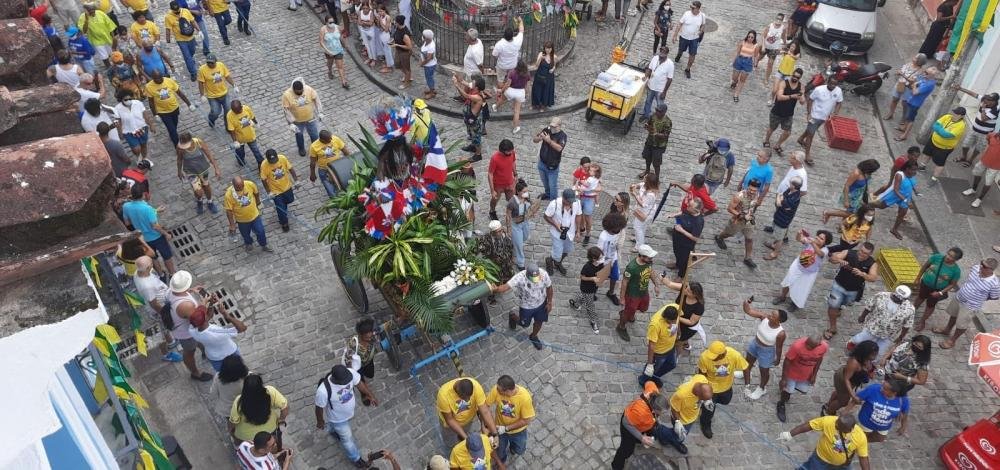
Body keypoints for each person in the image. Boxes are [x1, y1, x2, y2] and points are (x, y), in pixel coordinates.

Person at [612, 379, 705, 468]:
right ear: (654, 410)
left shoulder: (653, 390)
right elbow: (626, 423)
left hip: (642, 423)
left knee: (648, 433)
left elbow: (649, 382)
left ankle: (638, 440)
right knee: (626, 450)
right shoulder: (640, 412)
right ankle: (616, 465)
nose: (662, 414)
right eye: (661, 412)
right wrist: (641, 437)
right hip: (630, 425)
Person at [314, 361, 373, 468]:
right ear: (335, 380)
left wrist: (370, 395)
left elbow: (359, 383)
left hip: (347, 413)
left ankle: (332, 430)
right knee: (347, 439)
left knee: (334, 429)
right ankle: (356, 458)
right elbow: (319, 408)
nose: (347, 382)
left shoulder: (349, 373)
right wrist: (320, 421)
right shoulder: (323, 391)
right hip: (338, 419)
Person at [934, 258, 1000, 349]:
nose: (981, 266)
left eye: (984, 266)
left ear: (991, 270)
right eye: (981, 263)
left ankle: (952, 340)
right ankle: (947, 330)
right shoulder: (976, 268)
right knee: (953, 315)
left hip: (970, 306)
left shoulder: (994, 284)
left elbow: (994, 296)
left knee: (962, 324)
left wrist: (979, 298)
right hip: (959, 297)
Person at [491, 263, 554, 350]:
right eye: (533, 279)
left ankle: (533, 336)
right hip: (526, 306)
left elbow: (549, 287)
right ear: (527, 275)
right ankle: (513, 316)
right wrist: (497, 289)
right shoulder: (519, 277)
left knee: (539, 322)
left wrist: (549, 302)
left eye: (537, 278)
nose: (535, 281)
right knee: (524, 324)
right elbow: (506, 287)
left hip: (541, 303)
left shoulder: (544, 274)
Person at [132, 256, 182, 362]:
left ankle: (171, 342)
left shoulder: (138, 272)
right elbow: (154, 304)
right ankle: (166, 354)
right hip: (158, 310)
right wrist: (166, 314)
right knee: (161, 333)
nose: (152, 264)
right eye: (151, 263)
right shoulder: (147, 286)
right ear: (148, 267)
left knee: (165, 329)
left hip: (161, 302)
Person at [777, 414, 871, 470]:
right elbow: (809, 425)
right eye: (836, 423)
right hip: (820, 459)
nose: (835, 425)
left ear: (850, 429)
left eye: (838, 427)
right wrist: (789, 434)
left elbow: (863, 458)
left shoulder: (860, 437)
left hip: (842, 465)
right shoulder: (829, 421)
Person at [167, 271, 214, 381]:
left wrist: (191, 290)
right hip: (187, 334)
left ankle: (205, 352)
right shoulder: (185, 305)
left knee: (200, 342)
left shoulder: (170, 291)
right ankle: (195, 373)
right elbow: (201, 320)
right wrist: (205, 304)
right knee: (189, 352)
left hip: (189, 330)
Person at [825, 242, 879, 339]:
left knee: (846, 303)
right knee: (833, 306)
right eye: (861, 251)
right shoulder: (848, 252)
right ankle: (832, 328)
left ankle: (839, 308)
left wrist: (863, 274)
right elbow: (832, 259)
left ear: (870, 254)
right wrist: (840, 260)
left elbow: (873, 278)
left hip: (854, 290)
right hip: (839, 285)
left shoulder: (872, 263)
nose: (861, 254)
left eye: (865, 253)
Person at [697, 340, 750, 438]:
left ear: (723, 354)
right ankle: (705, 424)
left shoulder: (734, 355)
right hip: (711, 389)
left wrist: (747, 386)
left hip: (726, 386)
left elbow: (745, 368)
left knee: (726, 401)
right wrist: (705, 394)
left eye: (715, 356)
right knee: (708, 410)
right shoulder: (704, 357)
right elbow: (701, 375)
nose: (712, 358)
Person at [122, 185, 176, 275]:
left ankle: (161, 274)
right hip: (156, 237)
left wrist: (138, 219)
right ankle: (172, 274)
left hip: (143, 238)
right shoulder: (148, 209)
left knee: (152, 257)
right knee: (167, 256)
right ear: (143, 195)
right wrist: (166, 234)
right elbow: (155, 226)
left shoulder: (126, 206)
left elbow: (127, 223)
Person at [741, 298, 788, 401]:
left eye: (773, 316)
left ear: (778, 321)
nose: (769, 316)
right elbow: (748, 310)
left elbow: (779, 348)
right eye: (771, 313)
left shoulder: (781, 334)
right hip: (755, 344)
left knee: (764, 371)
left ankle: (761, 388)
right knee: (748, 362)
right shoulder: (764, 318)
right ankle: (745, 373)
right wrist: (746, 302)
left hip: (766, 351)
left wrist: (777, 359)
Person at [773, 229, 832, 312]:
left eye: (821, 239)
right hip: (798, 265)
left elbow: (820, 254)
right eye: (818, 236)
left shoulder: (825, 250)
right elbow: (799, 239)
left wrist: (813, 243)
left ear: (826, 242)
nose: (818, 239)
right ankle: (782, 297)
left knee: (801, 288)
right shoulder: (810, 240)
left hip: (809, 273)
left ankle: (794, 303)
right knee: (788, 280)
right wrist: (798, 234)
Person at [851, 286, 915, 359]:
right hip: (872, 327)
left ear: (906, 299)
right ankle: (852, 350)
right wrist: (862, 316)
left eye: (899, 299)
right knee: (858, 341)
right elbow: (869, 306)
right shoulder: (881, 296)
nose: (896, 299)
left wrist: (901, 337)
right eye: (895, 297)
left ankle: (869, 363)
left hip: (888, 335)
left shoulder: (910, 309)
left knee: (878, 354)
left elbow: (907, 325)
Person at [776, 334, 827, 422]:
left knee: (801, 389)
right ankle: (781, 404)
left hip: (806, 374)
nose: (807, 347)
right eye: (807, 344)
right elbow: (787, 361)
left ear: (818, 345)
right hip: (792, 373)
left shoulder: (824, 347)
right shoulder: (797, 346)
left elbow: (819, 359)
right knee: (787, 391)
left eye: (810, 346)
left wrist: (814, 375)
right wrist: (784, 379)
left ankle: (790, 390)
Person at [486, 375, 535, 464]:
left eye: (500, 391)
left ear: (508, 391)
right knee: (500, 451)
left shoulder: (524, 398)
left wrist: (506, 428)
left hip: (518, 431)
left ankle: (513, 448)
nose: (497, 390)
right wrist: (491, 425)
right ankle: (502, 461)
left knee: (519, 449)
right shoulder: (497, 389)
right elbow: (486, 407)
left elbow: (526, 420)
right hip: (499, 428)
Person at [715, 178, 762, 269]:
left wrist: (751, 214)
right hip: (737, 220)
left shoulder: (757, 194)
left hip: (749, 221)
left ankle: (747, 258)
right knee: (729, 233)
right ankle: (719, 237)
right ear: (747, 186)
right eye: (750, 189)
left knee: (749, 239)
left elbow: (754, 205)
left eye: (754, 190)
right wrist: (742, 216)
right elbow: (730, 208)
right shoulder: (739, 196)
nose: (752, 192)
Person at [822, 340, 878, 416]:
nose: (874, 357)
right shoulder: (854, 362)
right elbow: (846, 379)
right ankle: (829, 411)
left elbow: (867, 370)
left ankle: (828, 404)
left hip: (853, 380)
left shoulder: (866, 359)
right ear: (865, 353)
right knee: (843, 401)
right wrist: (853, 396)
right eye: (873, 355)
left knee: (839, 393)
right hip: (844, 380)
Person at [434, 377, 497, 444]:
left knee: (464, 432)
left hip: (467, 421)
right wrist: (467, 439)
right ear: (458, 392)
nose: (468, 400)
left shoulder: (476, 386)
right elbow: (450, 420)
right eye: (465, 398)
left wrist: (495, 434)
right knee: (450, 441)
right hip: (449, 427)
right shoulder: (443, 396)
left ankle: (462, 436)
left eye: (469, 397)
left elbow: (485, 411)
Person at [913, 248, 963, 331]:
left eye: (952, 257)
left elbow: (952, 284)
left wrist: (940, 293)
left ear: (956, 259)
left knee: (930, 305)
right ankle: (911, 312)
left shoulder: (956, 271)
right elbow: (925, 267)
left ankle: (922, 321)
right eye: (948, 254)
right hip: (925, 284)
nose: (948, 257)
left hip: (937, 290)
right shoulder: (936, 257)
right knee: (920, 298)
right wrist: (918, 278)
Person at [188, 302, 247, 371]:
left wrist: (211, 303)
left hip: (214, 358)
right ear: (206, 318)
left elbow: (206, 318)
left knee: (222, 374)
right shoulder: (218, 332)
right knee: (240, 370)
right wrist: (226, 315)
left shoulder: (191, 330)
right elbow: (242, 328)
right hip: (231, 354)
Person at [798, 77, 843, 165]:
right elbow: (810, 100)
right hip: (814, 115)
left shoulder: (838, 91)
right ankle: (807, 155)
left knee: (812, 129)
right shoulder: (819, 89)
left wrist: (835, 113)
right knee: (811, 134)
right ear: (827, 82)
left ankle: (801, 139)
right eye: (831, 83)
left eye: (835, 84)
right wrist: (809, 113)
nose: (832, 86)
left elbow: (839, 102)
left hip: (824, 117)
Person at [176, 132, 222, 215]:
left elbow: (209, 154)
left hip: (203, 169)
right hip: (190, 172)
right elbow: (179, 159)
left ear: (191, 141)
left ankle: (210, 201)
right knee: (198, 191)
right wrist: (179, 171)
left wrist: (216, 168)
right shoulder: (180, 148)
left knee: (206, 186)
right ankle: (199, 200)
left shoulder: (198, 142)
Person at [822, 159, 880, 223]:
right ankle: (828, 213)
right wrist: (846, 200)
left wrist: (868, 194)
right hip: (851, 196)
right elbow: (847, 186)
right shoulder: (856, 173)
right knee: (852, 213)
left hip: (859, 196)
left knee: (850, 211)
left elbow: (866, 184)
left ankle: (843, 224)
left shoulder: (867, 173)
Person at [145, 70, 193, 147]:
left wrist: (189, 104)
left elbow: (179, 93)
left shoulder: (169, 81)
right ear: (152, 78)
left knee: (174, 124)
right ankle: (178, 147)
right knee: (172, 130)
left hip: (174, 107)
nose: (159, 80)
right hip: (162, 112)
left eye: (160, 77)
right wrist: (155, 114)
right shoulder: (149, 87)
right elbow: (151, 101)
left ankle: (172, 134)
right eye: (156, 79)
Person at [873, 160, 919, 240]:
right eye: (913, 169)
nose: (914, 172)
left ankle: (894, 229)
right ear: (907, 169)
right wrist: (906, 201)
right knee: (881, 206)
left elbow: (911, 184)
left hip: (906, 196)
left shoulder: (912, 175)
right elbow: (896, 190)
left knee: (902, 213)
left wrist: (916, 191)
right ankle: (867, 205)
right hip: (895, 195)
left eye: (915, 169)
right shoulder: (899, 175)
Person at [224, 176, 272, 252]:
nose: (241, 188)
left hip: (255, 216)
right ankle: (248, 243)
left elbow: (256, 192)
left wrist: (258, 202)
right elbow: (229, 210)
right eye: (238, 187)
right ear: (233, 185)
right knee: (245, 234)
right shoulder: (229, 195)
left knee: (261, 231)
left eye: (242, 186)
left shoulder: (250, 184)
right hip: (242, 220)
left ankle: (264, 244)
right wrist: (232, 225)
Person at [763, 68, 805, 153]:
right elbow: (779, 97)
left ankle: (777, 145)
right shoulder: (784, 83)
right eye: (794, 76)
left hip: (789, 114)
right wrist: (792, 96)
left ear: (800, 78)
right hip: (777, 111)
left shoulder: (801, 86)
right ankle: (766, 140)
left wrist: (801, 97)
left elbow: (802, 102)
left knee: (787, 132)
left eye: (797, 77)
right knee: (772, 128)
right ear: (792, 74)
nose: (795, 78)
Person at [923, 107, 968, 186]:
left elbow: (947, 135)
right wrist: (941, 130)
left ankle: (934, 179)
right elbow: (935, 125)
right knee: (927, 153)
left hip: (944, 148)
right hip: (933, 140)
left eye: (957, 114)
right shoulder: (947, 116)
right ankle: (922, 166)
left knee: (940, 163)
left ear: (962, 116)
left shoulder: (961, 126)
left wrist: (939, 129)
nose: (954, 114)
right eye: (954, 112)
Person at [954, 89, 999, 166]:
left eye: (989, 100)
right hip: (974, 129)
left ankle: (970, 160)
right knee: (965, 144)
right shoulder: (985, 100)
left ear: (994, 102)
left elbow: (983, 119)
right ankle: (964, 157)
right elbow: (973, 94)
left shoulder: (995, 110)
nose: (986, 100)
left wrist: (983, 108)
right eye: (987, 98)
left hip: (985, 134)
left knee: (978, 148)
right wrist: (960, 88)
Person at [762, 176, 803, 260]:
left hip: (783, 220)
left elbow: (780, 203)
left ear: (794, 186)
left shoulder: (795, 198)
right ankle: (774, 245)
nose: (789, 184)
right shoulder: (789, 190)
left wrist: (779, 198)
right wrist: (780, 199)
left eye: (790, 183)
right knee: (777, 233)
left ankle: (775, 253)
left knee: (779, 238)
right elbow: (781, 198)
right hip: (779, 216)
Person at [641, 303, 681, 385]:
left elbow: (678, 321)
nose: (674, 323)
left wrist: (679, 332)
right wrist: (650, 364)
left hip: (670, 348)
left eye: (675, 320)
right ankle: (644, 380)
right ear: (666, 318)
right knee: (653, 369)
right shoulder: (655, 325)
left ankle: (655, 377)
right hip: (659, 352)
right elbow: (651, 345)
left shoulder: (677, 308)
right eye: (672, 321)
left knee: (672, 364)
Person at [895, 67, 938, 141]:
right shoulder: (925, 79)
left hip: (915, 103)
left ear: (931, 75)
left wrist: (914, 85)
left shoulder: (929, 84)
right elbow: (915, 84)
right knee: (908, 116)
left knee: (910, 119)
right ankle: (903, 128)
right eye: (925, 71)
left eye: (927, 73)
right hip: (911, 100)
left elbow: (915, 92)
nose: (924, 73)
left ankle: (905, 135)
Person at [260, 150, 298, 232]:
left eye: (275, 160)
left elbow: (291, 169)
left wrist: (296, 180)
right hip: (276, 192)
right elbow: (263, 179)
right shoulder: (264, 165)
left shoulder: (282, 158)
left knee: (290, 200)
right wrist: (269, 192)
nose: (274, 162)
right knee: (281, 209)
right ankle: (284, 223)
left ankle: (283, 211)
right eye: (271, 161)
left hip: (287, 187)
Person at [570, 247, 607, 334]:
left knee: (584, 296)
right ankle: (593, 321)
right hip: (587, 288)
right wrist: (592, 278)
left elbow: (602, 272)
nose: (602, 259)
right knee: (590, 306)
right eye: (600, 258)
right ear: (594, 258)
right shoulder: (587, 267)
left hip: (594, 287)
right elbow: (582, 277)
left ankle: (575, 303)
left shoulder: (601, 264)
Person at [164, 1, 202, 81]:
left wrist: (199, 30)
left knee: (192, 52)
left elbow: (193, 21)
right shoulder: (168, 17)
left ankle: (191, 61)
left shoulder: (186, 11)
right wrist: (168, 39)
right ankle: (193, 73)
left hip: (191, 37)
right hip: (180, 40)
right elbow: (168, 29)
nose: (177, 12)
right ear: (171, 9)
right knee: (187, 56)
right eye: (175, 11)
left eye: (178, 9)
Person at [961, 131, 1000, 208]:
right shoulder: (992, 135)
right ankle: (973, 189)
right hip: (983, 161)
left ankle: (979, 199)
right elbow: (988, 140)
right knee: (977, 174)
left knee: (988, 183)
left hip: (995, 167)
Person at [505, 180, 538, 271]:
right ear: (518, 192)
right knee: (519, 245)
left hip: (525, 222)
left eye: (526, 191)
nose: (526, 193)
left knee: (525, 237)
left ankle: (514, 243)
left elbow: (530, 207)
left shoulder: (526, 197)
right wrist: (509, 228)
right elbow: (508, 215)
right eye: (524, 191)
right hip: (516, 225)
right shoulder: (512, 202)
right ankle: (520, 263)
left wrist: (532, 212)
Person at [883, 53, 927, 121]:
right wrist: (898, 72)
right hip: (900, 84)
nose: (913, 58)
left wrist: (902, 74)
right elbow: (901, 70)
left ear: (919, 61)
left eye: (916, 58)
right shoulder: (908, 64)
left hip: (908, 88)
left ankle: (904, 117)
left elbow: (912, 81)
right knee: (895, 99)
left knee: (904, 104)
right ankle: (890, 113)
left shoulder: (920, 71)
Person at [197, 54, 236, 128]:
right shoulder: (202, 69)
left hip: (224, 93)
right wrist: (202, 95)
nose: (210, 64)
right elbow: (200, 83)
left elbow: (227, 76)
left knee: (228, 111)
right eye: (208, 62)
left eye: (212, 63)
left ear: (216, 61)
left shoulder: (221, 65)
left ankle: (228, 126)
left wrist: (234, 85)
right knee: (215, 112)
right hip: (212, 96)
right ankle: (211, 119)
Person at [533, 117, 567, 200]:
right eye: (551, 126)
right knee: (545, 183)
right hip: (542, 163)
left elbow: (559, 148)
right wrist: (540, 138)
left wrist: (549, 141)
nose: (552, 128)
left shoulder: (562, 136)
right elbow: (534, 140)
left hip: (552, 166)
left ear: (559, 126)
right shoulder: (547, 130)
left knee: (552, 186)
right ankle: (548, 194)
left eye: (554, 127)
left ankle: (553, 202)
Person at [453, 74, 486, 161]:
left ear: (477, 87)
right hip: (470, 119)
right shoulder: (476, 90)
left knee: (476, 137)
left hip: (474, 121)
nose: (472, 83)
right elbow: (464, 82)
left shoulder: (478, 97)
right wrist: (457, 77)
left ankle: (478, 154)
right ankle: (473, 146)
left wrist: (457, 85)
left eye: (474, 83)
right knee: (471, 134)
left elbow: (466, 96)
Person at [114, 90, 154, 161]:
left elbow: (145, 115)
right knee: (136, 148)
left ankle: (144, 159)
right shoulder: (117, 108)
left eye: (130, 99)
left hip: (141, 128)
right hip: (128, 131)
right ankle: (138, 157)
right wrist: (120, 133)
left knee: (143, 145)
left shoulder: (138, 103)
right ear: (121, 100)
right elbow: (118, 122)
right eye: (126, 99)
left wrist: (151, 125)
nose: (128, 101)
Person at [599, 210, 628, 306]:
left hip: (613, 259)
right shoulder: (603, 237)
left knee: (615, 276)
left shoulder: (617, 233)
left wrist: (613, 260)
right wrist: (603, 264)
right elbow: (599, 251)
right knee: (600, 278)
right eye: (618, 228)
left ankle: (611, 293)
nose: (619, 230)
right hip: (604, 261)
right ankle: (592, 292)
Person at [493, 60, 530, 134]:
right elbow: (527, 86)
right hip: (520, 92)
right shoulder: (527, 74)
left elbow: (507, 84)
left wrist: (502, 90)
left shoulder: (512, 72)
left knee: (502, 99)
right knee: (517, 111)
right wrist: (526, 94)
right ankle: (515, 127)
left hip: (511, 91)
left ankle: (495, 107)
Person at [477, 221, 516, 292]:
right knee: (496, 279)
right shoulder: (486, 239)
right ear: (492, 232)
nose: (500, 233)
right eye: (497, 232)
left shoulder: (504, 235)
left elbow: (510, 247)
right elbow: (482, 252)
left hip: (506, 262)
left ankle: (506, 285)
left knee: (508, 275)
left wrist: (512, 258)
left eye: (501, 230)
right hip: (495, 264)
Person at [309, 130, 348, 197]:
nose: (330, 140)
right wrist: (312, 173)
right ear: (322, 140)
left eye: (331, 138)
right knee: (330, 190)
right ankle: (334, 199)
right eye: (328, 139)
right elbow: (312, 162)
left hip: (338, 166)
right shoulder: (314, 146)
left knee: (343, 183)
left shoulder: (335, 139)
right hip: (324, 169)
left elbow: (345, 151)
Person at [671, 1, 705, 79]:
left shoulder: (702, 16)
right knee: (681, 49)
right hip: (684, 37)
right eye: (691, 7)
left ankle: (688, 69)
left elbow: (703, 25)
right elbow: (679, 24)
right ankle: (679, 54)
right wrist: (675, 35)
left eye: (693, 8)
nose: (691, 9)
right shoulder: (686, 14)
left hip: (694, 39)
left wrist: (701, 31)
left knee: (692, 54)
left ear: (698, 8)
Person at [671, 198, 703, 278]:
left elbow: (695, 238)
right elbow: (683, 212)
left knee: (684, 260)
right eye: (689, 204)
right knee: (676, 252)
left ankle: (681, 276)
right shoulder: (689, 210)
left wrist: (682, 230)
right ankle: (677, 264)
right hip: (678, 238)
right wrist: (675, 215)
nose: (687, 205)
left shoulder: (698, 222)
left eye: (690, 206)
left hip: (686, 244)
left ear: (695, 210)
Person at [77, 1, 117, 67]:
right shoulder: (82, 17)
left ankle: (115, 66)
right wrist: (86, 20)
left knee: (112, 54)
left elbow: (109, 25)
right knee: (104, 57)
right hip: (96, 40)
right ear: (86, 11)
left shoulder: (100, 13)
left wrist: (113, 37)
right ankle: (109, 68)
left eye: (93, 10)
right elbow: (84, 31)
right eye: (90, 10)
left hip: (107, 37)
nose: (93, 12)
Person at [227, 100, 265, 167]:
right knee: (240, 152)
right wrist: (235, 141)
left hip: (250, 135)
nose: (237, 113)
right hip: (239, 139)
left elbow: (252, 116)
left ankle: (261, 164)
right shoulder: (229, 115)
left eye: (238, 111)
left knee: (256, 150)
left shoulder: (246, 108)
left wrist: (256, 123)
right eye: (235, 112)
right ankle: (240, 161)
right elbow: (231, 130)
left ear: (241, 107)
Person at [641, 46, 675, 121]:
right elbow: (649, 69)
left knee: (660, 105)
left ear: (667, 54)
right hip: (651, 86)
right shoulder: (655, 58)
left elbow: (669, 79)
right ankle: (646, 115)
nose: (662, 53)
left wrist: (664, 92)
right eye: (661, 51)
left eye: (664, 52)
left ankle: (658, 121)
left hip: (660, 89)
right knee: (648, 101)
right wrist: (646, 76)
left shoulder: (670, 64)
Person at [640, 103, 672, 180]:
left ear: (664, 112)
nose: (657, 112)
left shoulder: (667, 122)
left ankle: (656, 178)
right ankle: (647, 171)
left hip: (659, 145)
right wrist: (647, 125)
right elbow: (649, 123)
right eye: (656, 110)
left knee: (656, 163)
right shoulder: (653, 115)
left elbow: (666, 135)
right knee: (647, 157)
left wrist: (656, 134)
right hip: (650, 141)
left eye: (659, 111)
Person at [492, 18, 524, 91]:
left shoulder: (499, 44)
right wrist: (520, 21)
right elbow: (521, 30)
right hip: (513, 65)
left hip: (502, 65)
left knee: (500, 80)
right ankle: (508, 91)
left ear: (504, 35)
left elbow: (494, 55)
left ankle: (501, 92)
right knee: (510, 79)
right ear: (513, 35)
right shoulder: (517, 40)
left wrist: (498, 58)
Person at [488, 139, 516, 220]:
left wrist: (515, 174)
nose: (511, 153)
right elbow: (490, 174)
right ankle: (492, 211)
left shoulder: (512, 153)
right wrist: (492, 190)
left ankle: (511, 212)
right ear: (502, 151)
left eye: (511, 150)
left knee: (511, 199)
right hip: (498, 185)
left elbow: (513, 162)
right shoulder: (495, 158)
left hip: (509, 182)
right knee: (495, 199)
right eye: (508, 151)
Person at [574, 164, 602, 245]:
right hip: (581, 197)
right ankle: (579, 230)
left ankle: (588, 234)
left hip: (589, 199)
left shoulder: (593, 178)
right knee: (578, 214)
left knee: (587, 217)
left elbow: (599, 188)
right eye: (588, 169)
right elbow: (575, 182)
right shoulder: (584, 173)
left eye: (590, 169)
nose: (588, 170)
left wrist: (588, 188)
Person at [629, 173, 659, 249]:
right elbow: (640, 185)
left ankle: (639, 246)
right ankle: (638, 239)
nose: (644, 177)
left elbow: (643, 204)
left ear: (648, 181)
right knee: (642, 227)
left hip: (645, 213)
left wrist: (635, 195)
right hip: (642, 210)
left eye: (646, 177)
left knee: (638, 227)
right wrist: (634, 186)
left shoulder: (651, 194)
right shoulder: (645, 185)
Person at [320, 17, 349, 88]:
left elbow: (341, 37)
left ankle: (343, 81)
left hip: (338, 50)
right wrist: (327, 51)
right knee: (330, 63)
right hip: (329, 51)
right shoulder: (323, 29)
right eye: (330, 22)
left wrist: (345, 44)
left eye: (333, 22)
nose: (332, 24)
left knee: (340, 66)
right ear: (326, 22)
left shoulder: (337, 27)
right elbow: (321, 42)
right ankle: (330, 71)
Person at [730, 30, 758, 102]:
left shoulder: (755, 46)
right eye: (749, 37)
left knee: (742, 80)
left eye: (752, 37)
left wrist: (755, 65)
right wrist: (733, 61)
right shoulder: (742, 42)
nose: (750, 38)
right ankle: (734, 82)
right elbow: (737, 52)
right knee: (734, 77)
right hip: (739, 60)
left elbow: (755, 56)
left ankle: (736, 94)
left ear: (754, 38)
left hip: (748, 62)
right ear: (747, 36)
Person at [760, 14, 787, 81]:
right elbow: (763, 35)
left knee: (770, 63)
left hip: (774, 49)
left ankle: (766, 78)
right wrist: (763, 46)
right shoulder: (770, 25)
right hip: (766, 46)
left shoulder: (783, 28)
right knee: (760, 57)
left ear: (782, 20)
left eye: (780, 19)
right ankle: (755, 63)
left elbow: (783, 37)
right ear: (775, 18)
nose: (778, 20)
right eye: (777, 18)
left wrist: (785, 44)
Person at [531, 41, 556, 110]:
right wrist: (540, 58)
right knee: (537, 90)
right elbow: (536, 65)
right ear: (544, 48)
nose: (548, 50)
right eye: (546, 48)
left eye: (549, 48)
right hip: (540, 75)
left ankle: (543, 105)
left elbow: (554, 65)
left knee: (546, 91)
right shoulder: (541, 54)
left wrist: (553, 69)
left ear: (552, 49)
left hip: (549, 76)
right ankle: (536, 104)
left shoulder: (554, 56)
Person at [391, 15, 413, 88]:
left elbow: (409, 47)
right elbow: (396, 36)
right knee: (397, 64)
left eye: (395, 21)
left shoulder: (405, 34)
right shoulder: (398, 28)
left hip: (404, 53)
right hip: (398, 51)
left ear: (398, 23)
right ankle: (408, 76)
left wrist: (397, 45)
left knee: (406, 68)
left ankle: (406, 83)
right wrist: (393, 41)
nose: (394, 22)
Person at [418, 29, 438, 99]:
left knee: (429, 78)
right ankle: (431, 89)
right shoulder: (427, 41)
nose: (422, 37)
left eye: (424, 36)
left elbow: (428, 59)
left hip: (429, 65)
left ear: (427, 38)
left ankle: (432, 93)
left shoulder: (431, 46)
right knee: (429, 78)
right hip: (428, 65)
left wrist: (421, 64)